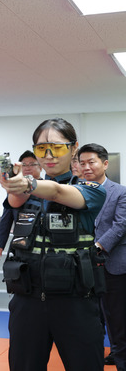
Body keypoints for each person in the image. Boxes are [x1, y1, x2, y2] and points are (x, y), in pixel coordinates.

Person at [0, 118, 106, 371]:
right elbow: (15, 200)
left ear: (74, 148)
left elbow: (58, 193)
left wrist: (28, 182)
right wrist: (12, 182)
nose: (48, 155)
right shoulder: (27, 191)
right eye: (40, 148)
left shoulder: (91, 189)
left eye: (56, 148)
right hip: (28, 300)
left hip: (76, 302)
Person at [79, 143, 126, 370]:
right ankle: (105, 354)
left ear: (105, 164)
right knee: (91, 318)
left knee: (117, 319)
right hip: (82, 267)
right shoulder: (76, 191)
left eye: (91, 162)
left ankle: (121, 359)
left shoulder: (120, 191)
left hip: (112, 265)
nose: (86, 167)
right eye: (82, 163)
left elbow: (119, 227)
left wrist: (95, 247)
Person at [0, 150, 42, 261]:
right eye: (24, 165)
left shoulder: (49, 188)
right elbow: (6, 219)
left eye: (32, 164)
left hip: (42, 243)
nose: (27, 167)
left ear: (41, 167)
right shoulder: (15, 192)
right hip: (21, 244)